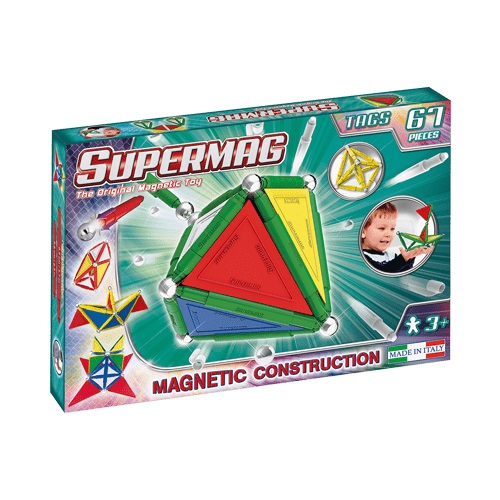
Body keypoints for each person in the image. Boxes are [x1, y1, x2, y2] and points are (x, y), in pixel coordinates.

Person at [361, 202, 433, 273]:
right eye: (382, 228)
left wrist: (409, 258)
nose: (389, 234)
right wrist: (403, 259)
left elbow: (404, 274)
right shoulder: (362, 258)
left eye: (392, 229)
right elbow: (381, 271)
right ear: (363, 232)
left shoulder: (393, 256)